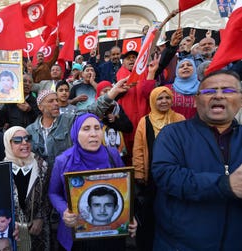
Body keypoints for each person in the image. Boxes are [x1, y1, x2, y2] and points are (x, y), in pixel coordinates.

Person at [151, 70, 242, 250]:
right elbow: (165, 175)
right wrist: (225, 184)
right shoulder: (173, 134)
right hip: (180, 243)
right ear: (195, 100)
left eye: (228, 91)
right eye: (209, 91)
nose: (218, 96)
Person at [48, 113, 137, 251]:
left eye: (97, 128)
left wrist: (129, 217)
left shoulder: (112, 154)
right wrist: (64, 211)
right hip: (75, 236)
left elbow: (125, 187)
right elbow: (53, 193)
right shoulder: (63, 160)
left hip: (111, 235)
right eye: (86, 128)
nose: (93, 134)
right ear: (75, 133)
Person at [26, 77, 130, 169]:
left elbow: (92, 111)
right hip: (41, 182)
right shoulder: (30, 130)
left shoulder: (69, 120)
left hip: (65, 177)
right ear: (40, 107)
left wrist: (113, 92)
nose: (56, 104)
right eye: (51, 101)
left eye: (56, 100)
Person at [132, 86, 185, 251]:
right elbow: (139, 149)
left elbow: (186, 145)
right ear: (153, 101)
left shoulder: (179, 119)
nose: (164, 101)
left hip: (175, 172)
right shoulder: (145, 121)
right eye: (160, 99)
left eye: (167, 98)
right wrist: (139, 172)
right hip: (152, 174)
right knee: (152, 211)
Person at [3, 126, 50, 250]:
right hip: (14, 231)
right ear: (9, 144)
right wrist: (10, 224)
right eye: (17, 140)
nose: (24, 143)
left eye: (27, 138)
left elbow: (46, 195)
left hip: (38, 228)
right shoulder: (1, 170)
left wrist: (39, 218)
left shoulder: (42, 166)